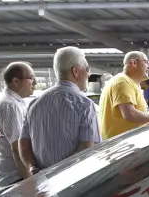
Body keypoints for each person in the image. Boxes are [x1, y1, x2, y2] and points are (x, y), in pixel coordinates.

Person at [21, 47, 102, 175]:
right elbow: (87, 148)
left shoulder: (35, 103)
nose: (88, 74)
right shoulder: (84, 104)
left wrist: (33, 167)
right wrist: (60, 174)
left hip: (43, 181)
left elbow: (24, 144)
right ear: (75, 71)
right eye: (87, 69)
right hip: (74, 180)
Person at [0, 61, 35, 187]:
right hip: (15, 176)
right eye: (31, 78)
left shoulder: (16, 102)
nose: (34, 82)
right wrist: (30, 181)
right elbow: (17, 147)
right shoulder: (10, 105)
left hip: (16, 175)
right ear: (16, 81)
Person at [100, 51, 149, 139]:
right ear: (134, 63)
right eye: (146, 62)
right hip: (123, 143)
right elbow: (130, 114)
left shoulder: (126, 82)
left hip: (125, 142)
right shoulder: (122, 82)